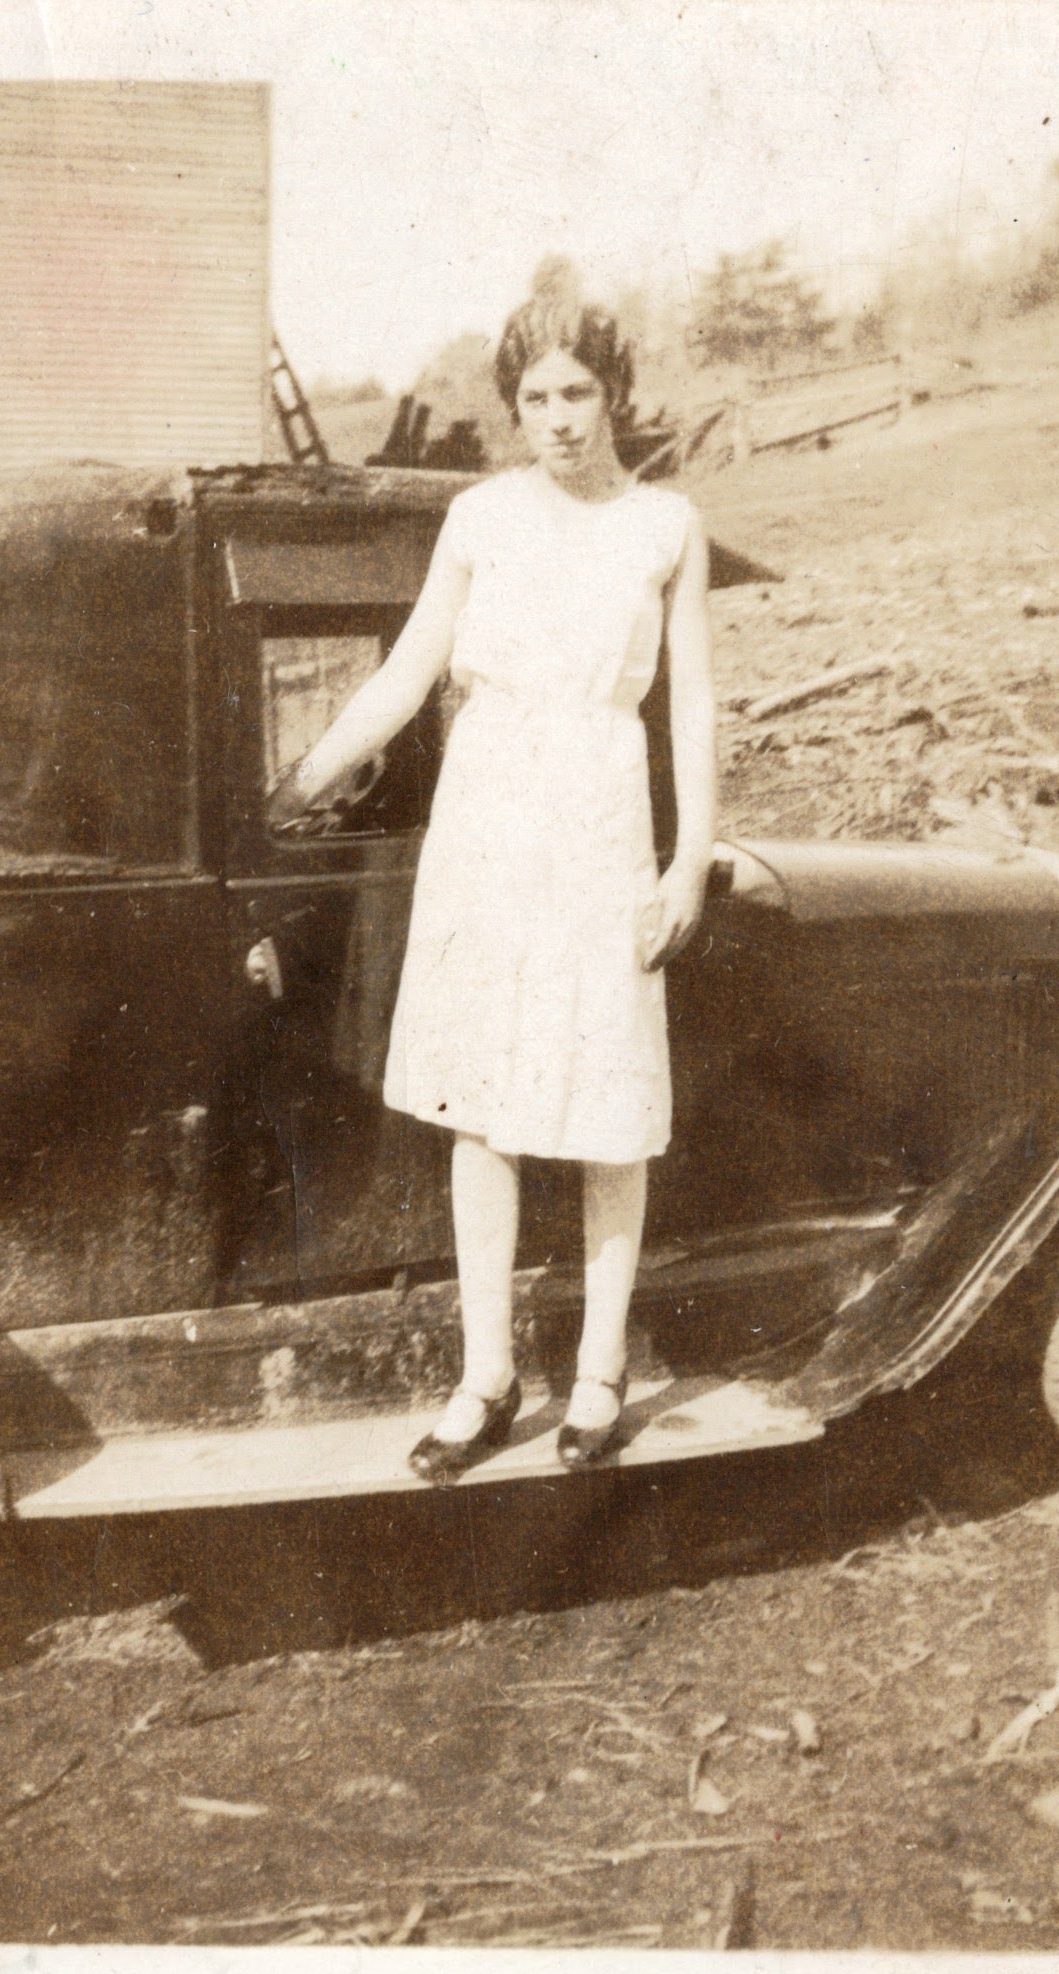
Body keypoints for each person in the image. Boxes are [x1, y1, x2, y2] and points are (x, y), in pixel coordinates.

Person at [268, 281, 716, 1482]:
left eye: (578, 392)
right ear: (512, 406)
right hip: (489, 821)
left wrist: (687, 862)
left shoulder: (667, 526)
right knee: (486, 1110)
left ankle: (599, 1374)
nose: (559, 418)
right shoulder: (477, 516)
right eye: (535, 397)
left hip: (603, 815)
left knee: (607, 1107)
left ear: (613, 393)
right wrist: (307, 772)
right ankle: (484, 1379)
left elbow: (695, 709)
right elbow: (410, 674)